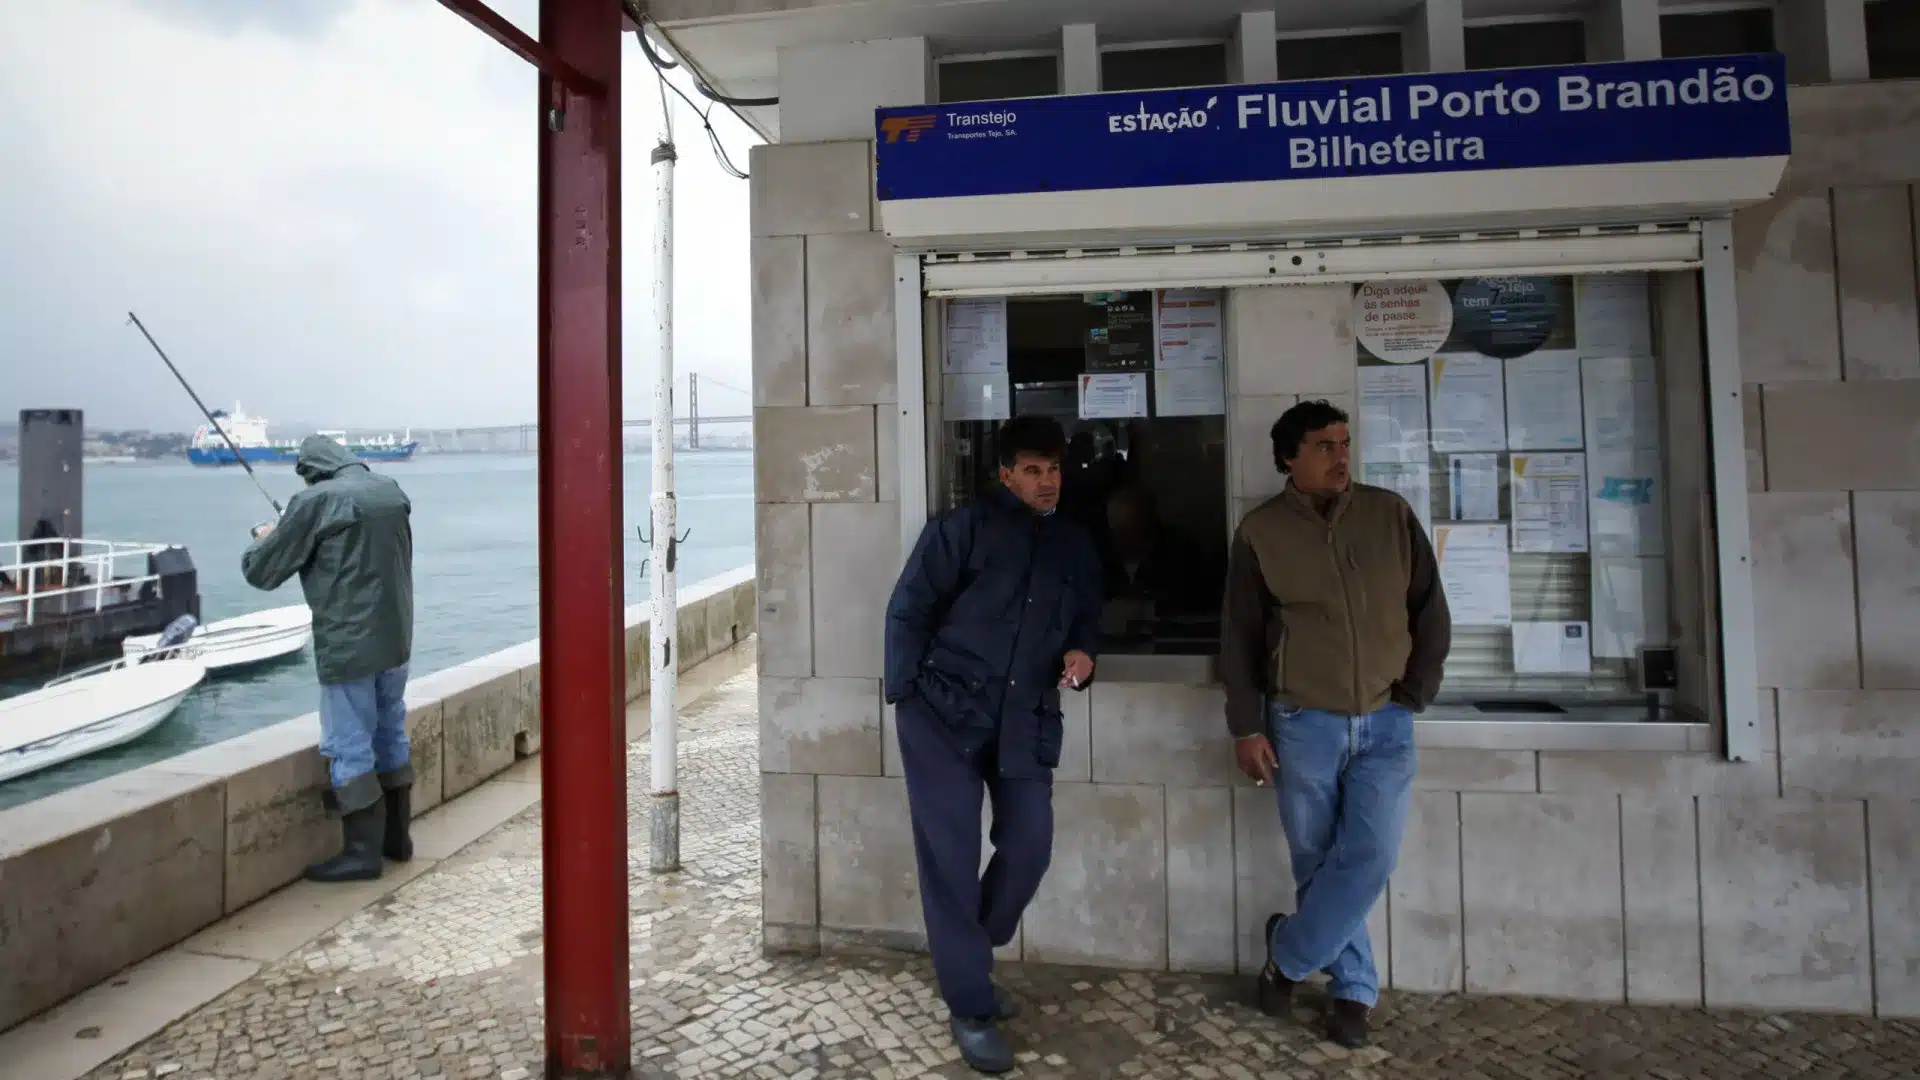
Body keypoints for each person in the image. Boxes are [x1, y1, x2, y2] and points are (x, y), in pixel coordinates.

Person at [1219, 398, 1450, 1049]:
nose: (1340, 456)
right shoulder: (1261, 532)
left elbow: (1431, 609)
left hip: (1386, 721)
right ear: (1288, 458)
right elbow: (1239, 638)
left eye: (1344, 443)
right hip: (1302, 720)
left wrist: (1415, 691)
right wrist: (1245, 726)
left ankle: (1288, 956)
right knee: (1316, 860)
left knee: (1371, 854)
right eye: (1324, 445)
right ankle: (1352, 988)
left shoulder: (1389, 515)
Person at [883, 415, 1104, 1075]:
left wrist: (1084, 653)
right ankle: (970, 1003)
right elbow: (909, 609)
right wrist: (906, 694)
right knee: (950, 858)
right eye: (1032, 470)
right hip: (942, 715)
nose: (1046, 481)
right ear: (1006, 474)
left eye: (1053, 469)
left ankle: (971, 949)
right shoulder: (961, 530)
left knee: (1030, 845)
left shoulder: (1074, 545)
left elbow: (1088, 618)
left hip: (1026, 716)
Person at [242, 435, 415, 883]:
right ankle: (397, 839)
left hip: (349, 644)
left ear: (312, 471)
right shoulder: (388, 489)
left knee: (348, 742)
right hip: (395, 637)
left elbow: (262, 571)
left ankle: (361, 853)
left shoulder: (314, 501)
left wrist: (266, 537)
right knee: (390, 732)